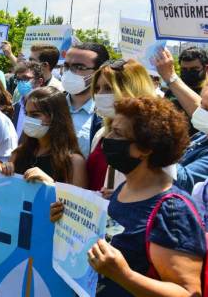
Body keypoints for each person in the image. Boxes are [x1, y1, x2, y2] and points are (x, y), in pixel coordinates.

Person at [51, 97, 205, 297]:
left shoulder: (173, 210)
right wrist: (68, 221)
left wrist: (124, 275)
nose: (108, 138)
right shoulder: (125, 189)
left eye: (118, 133)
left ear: (146, 149)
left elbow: (188, 292)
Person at [87, 58, 156, 193]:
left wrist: (125, 196)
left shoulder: (151, 140)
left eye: (108, 88)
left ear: (132, 89)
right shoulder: (101, 134)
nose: (99, 95)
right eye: (97, 88)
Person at [0, 87, 87, 187]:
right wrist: (5, 170)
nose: (28, 119)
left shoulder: (73, 162)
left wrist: (49, 183)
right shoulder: (19, 153)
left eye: (35, 115)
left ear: (56, 117)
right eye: (26, 114)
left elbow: (77, 201)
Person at [154, 48, 208, 193]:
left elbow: (184, 180)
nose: (189, 73)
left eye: (194, 69)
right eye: (184, 69)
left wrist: (154, 147)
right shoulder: (199, 139)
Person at [62, 42, 110, 158]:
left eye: (80, 67)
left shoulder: (108, 115)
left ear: (98, 71)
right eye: (67, 66)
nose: (70, 72)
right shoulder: (50, 105)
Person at [11, 62, 46, 138]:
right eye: (18, 79)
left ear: (40, 81)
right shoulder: (15, 107)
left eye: (25, 78)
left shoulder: (47, 107)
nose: (21, 82)